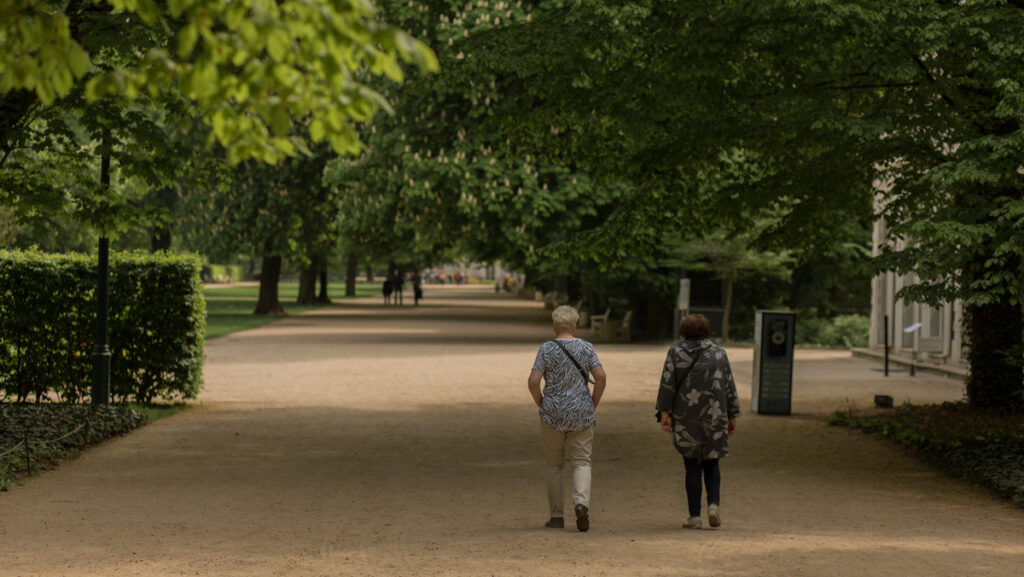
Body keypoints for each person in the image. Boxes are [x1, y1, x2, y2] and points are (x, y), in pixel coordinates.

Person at [655, 313, 739, 530]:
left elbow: (668, 384)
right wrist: (731, 415)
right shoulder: (719, 353)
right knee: (713, 461)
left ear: (683, 330)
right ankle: (713, 505)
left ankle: (695, 516)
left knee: (691, 464)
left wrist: (665, 414)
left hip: (686, 415)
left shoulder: (675, 352)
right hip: (715, 413)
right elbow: (728, 384)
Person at [528, 305, 607, 532]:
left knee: (554, 464)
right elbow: (600, 377)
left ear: (555, 326)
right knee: (582, 461)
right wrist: (593, 403)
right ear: (574, 325)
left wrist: (541, 402)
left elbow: (533, 381)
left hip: (553, 412)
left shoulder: (546, 349)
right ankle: (581, 503)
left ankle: (556, 516)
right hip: (581, 411)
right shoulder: (586, 347)